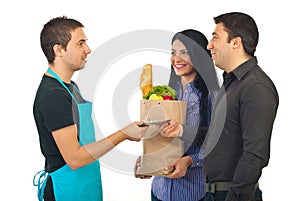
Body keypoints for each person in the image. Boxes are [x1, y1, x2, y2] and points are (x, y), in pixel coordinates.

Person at [161, 12, 279, 201]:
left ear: (236, 42)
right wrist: (182, 129)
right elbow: (216, 136)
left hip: (230, 195)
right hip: (214, 193)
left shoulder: (255, 87)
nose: (209, 46)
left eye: (215, 37)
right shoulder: (231, 82)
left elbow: (255, 156)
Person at [32, 16, 148, 201]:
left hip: (86, 183)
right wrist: (124, 134)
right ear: (58, 50)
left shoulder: (70, 87)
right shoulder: (53, 95)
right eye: (80, 43)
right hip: (68, 189)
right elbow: (75, 159)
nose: (88, 49)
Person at [137, 29, 220, 201]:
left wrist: (191, 161)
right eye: (173, 52)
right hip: (159, 191)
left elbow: (218, 145)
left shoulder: (213, 96)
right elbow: (158, 137)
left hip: (193, 193)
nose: (177, 59)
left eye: (185, 53)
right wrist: (148, 161)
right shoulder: (164, 94)